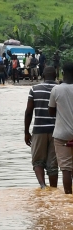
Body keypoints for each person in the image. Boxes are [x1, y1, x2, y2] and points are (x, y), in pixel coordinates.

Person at [25, 66, 58, 189]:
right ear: (55, 76)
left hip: (39, 130)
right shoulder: (59, 89)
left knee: (38, 161)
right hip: (56, 131)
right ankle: (54, 189)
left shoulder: (34, 89)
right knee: (53, 164)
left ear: (43, 76)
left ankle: (43, 186)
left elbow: (29, 112)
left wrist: (26, 132)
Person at [48, 62, 73, 194]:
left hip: (62, 135)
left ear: (62, 73)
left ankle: (68, 198)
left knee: (66, 169)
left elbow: (51, 112)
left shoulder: (56, 90)